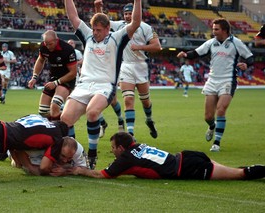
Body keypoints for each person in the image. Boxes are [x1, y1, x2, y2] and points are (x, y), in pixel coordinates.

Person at [61, 0, 141, 169]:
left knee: (92, 112)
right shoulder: (88, 35)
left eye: (99, 30)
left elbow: (135, 23)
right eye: (94, 29)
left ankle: (92, 155)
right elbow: (73, 16)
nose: (95, 33)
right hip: (84, 84)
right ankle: (73, 156)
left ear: (107, 28)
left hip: (105, 85)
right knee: (65, 119)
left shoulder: (117, 38)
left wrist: (137, 1)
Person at [177, 18, 254, 152]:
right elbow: (196, 53)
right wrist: (185, 54)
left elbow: (250, 57)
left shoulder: (236, 43)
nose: (213, 31)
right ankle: (212, 126)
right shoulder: (211, 43)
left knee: (221, 110)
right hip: (212, 81)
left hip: (228, 80)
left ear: (224, 30)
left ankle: (216, 143)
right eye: (213, 29)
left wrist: (246, 64)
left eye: (216, 29)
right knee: (208, 116)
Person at [70, 132, 265, 180]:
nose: (112, 150)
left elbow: (102, 174)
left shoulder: (126, 158)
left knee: (240, 174)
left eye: (113, 147)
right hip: (186, 156)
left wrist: (79, 170)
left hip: (186, 167)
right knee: (234, 170)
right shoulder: (138, 146)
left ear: (121, 147)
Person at [95, 0, 161, 140]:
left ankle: (149, 119)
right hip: (125, 66)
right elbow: (101, 22)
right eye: (125, 13)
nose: (127, 16)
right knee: (128, 100)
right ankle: (130, 134)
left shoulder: (146, 27)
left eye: (130, 13)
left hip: (141, 66)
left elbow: (157, 46)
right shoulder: (119, 25)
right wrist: (98, 7)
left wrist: (140, 47)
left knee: (145, 101)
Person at [28, 30, 77, 121]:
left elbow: (73, 73)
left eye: (50, 44)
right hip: (53, 78)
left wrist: (56, 83)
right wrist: (34, 77)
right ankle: (60, 124)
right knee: (43, 112)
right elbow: (40, 60)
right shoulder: (44, 46)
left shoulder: (67, 49)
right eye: (46, 43)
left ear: (56, 40)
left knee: (55, 105)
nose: (47, 46)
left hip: (67, 79)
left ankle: (60, 131)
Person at [9, 137, 88, 176]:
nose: (65, 160)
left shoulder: (78, 151)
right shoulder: (40, 147)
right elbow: (17, 148)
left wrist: (65, 171)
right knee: (19, 164)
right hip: (17, 148)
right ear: (57, 149)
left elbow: (84, 169)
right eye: (63, 156)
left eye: (69, 158)